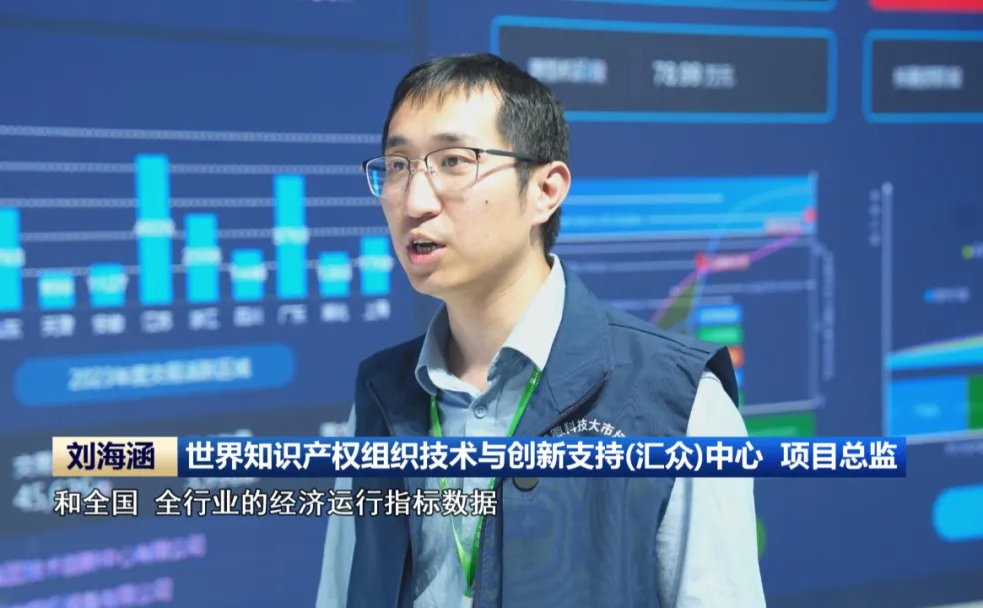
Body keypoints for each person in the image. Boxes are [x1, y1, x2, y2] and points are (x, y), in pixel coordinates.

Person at [316, 53, 765, 608]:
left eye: (453, 161)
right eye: (398, 165)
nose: (414, 201)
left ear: (545, 191)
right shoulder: (380, 397)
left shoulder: (679, 400)